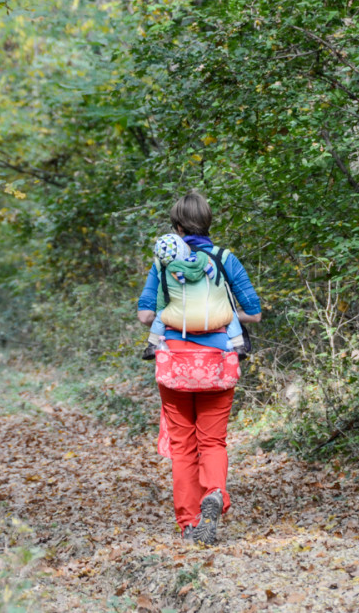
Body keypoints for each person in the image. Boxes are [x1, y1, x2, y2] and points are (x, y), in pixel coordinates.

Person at [137, 191, 262, 545]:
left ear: (176, 227)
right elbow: (253, 312)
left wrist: (173, 317)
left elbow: (146, 314)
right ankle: (215, 493)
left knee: (182, 445)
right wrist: (222, 317)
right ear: (208, 224)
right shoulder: (225, 259)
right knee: (212, 440)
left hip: (174, 364)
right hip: (218, 365)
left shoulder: (163, 264)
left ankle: (190, 523)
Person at [142, 232, 248, 360]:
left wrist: (163, 313)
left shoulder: (168, 273)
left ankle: (152, 346)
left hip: (180, 322)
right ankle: (238, 346)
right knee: (231, 316)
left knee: (160, 316)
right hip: (214, 319)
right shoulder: (206, 261)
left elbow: (161, 301)